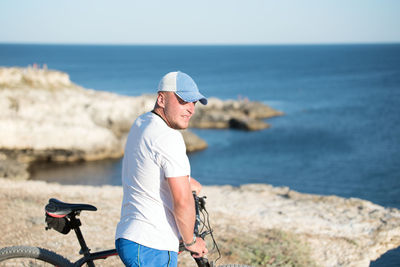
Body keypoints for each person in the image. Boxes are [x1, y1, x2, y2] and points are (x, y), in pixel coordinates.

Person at [115, 71, 208, 267]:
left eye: (194, 103)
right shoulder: (168, 137)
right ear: (161, 99)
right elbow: (182, 201)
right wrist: (191, 241)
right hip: (152, 243)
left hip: (133, 235)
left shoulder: (142, 123)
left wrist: (187, 181)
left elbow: (147, 168)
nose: (191, 109)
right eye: (184, 101)